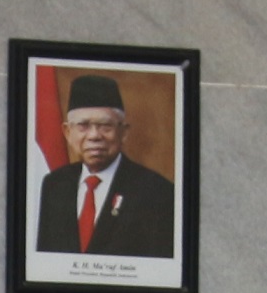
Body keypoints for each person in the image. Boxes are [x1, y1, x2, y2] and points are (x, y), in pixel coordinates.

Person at [33, 72, 175, 259]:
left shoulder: (157, 192)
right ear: (67, 132)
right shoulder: (54, 185)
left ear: (123, 132)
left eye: (105, 126)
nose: (94, 136)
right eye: (83, 125)